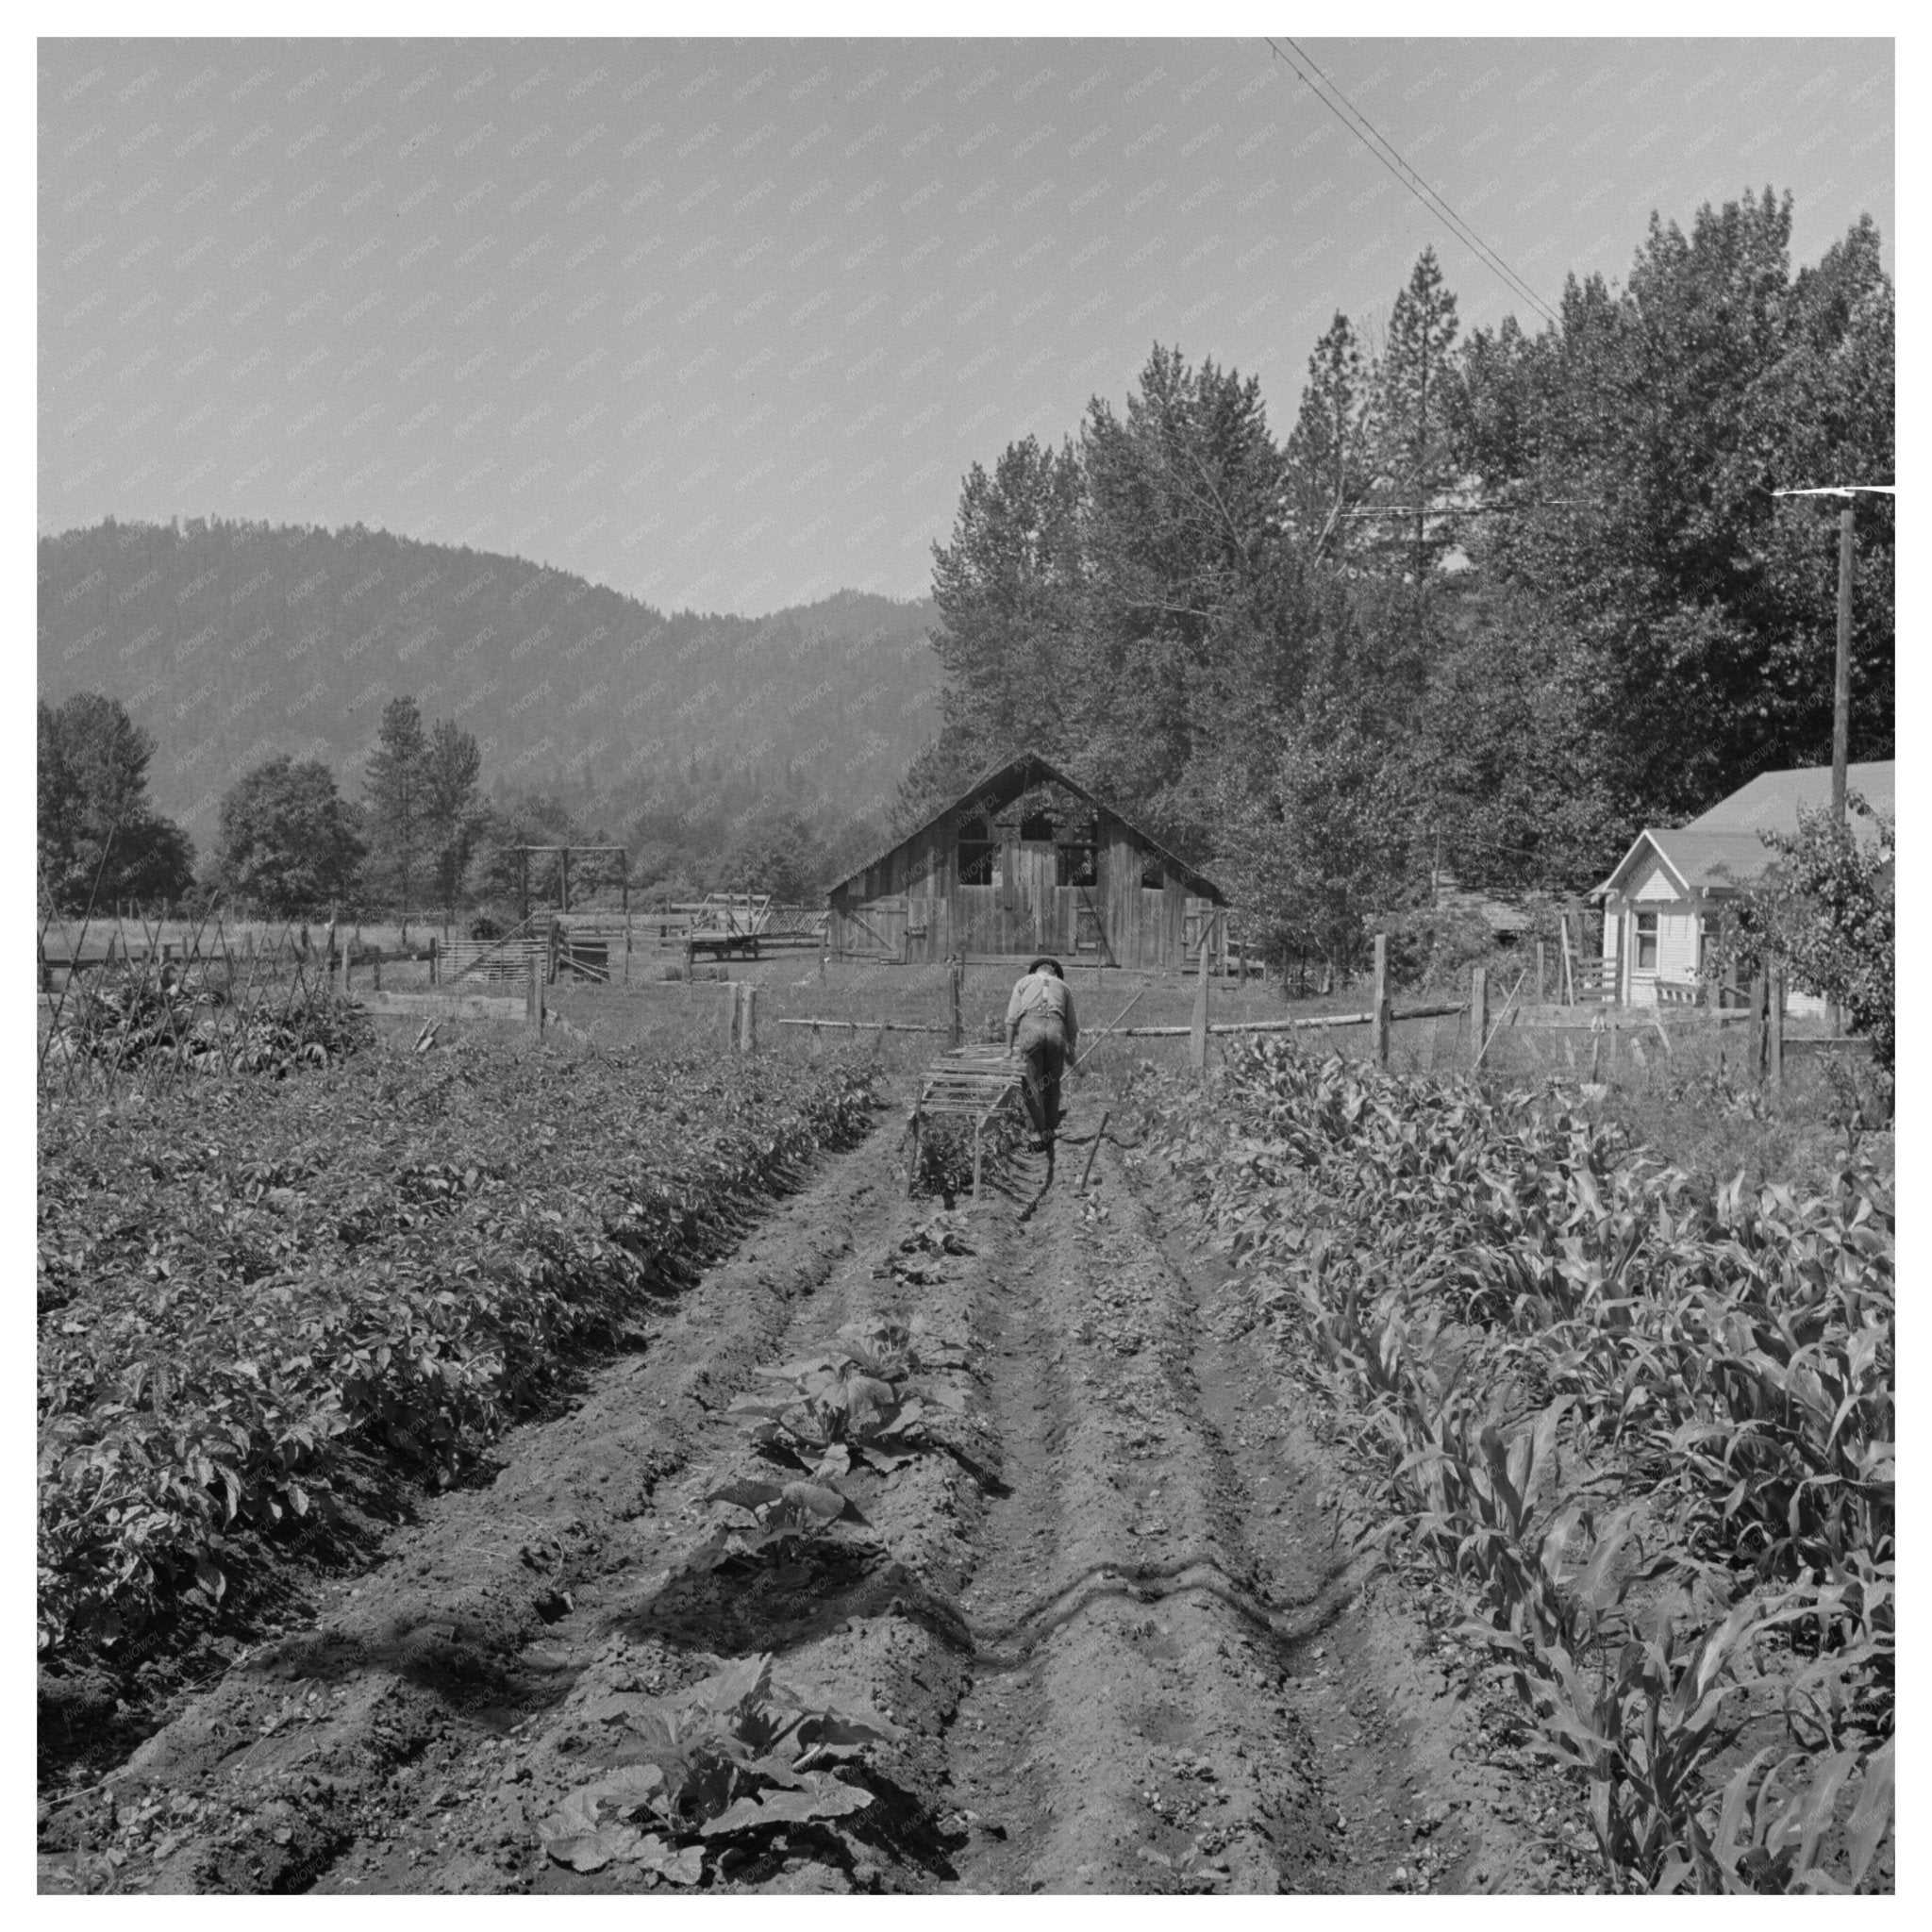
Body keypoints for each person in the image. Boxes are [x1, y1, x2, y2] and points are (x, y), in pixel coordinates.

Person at [1005, 956, 1078, 1152]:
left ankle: (1037, 1134)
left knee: (1031, 1084)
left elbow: (1011, 1018)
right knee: (1052, 1083)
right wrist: (1071, 1052)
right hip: (1056, 1029)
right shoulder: (1063, 986)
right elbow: (1072, 1025)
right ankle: (1050, 1131)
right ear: (1053, 972)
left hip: (1031, 1029)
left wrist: (1008, 1048)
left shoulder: (1023, 982)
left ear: (1036, 971)